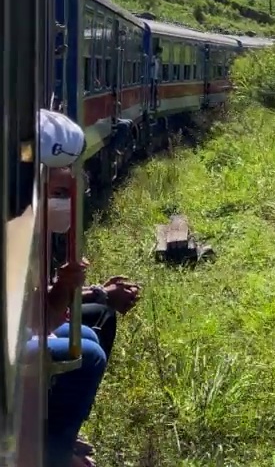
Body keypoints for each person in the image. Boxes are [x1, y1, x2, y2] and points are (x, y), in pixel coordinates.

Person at [37, 109, 143, 467]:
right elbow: (38, 319)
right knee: (89, 352)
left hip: (27, 324)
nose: (69, 201)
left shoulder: (34, 231)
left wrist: (84, 289)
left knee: (94, 326)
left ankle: (60, 433)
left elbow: (39, 303)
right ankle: (54, 454)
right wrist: (80, 289)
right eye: (60, 191)